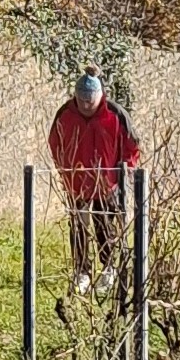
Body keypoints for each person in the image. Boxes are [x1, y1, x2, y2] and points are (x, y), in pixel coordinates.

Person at [48, 65, 142, 284]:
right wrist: (64, 169)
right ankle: (81, 271)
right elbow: (55, 143)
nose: (86, 105)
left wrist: (125, 168)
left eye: (90, 101)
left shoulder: (115, 114)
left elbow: (132, 145)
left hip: (107, 183)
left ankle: (108, 268)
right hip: (77, 181)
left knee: (105, 225)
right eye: (81, 101)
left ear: (100, 96)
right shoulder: (65, 114)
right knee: (79, 227)